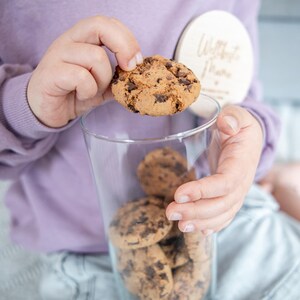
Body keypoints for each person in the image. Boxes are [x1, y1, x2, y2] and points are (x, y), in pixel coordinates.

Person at [1, 1, 300, 299]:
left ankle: (280, 183)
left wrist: (245, 144)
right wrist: (28, 106)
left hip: (224, 222)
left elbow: (240, 98)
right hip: (91, 255)